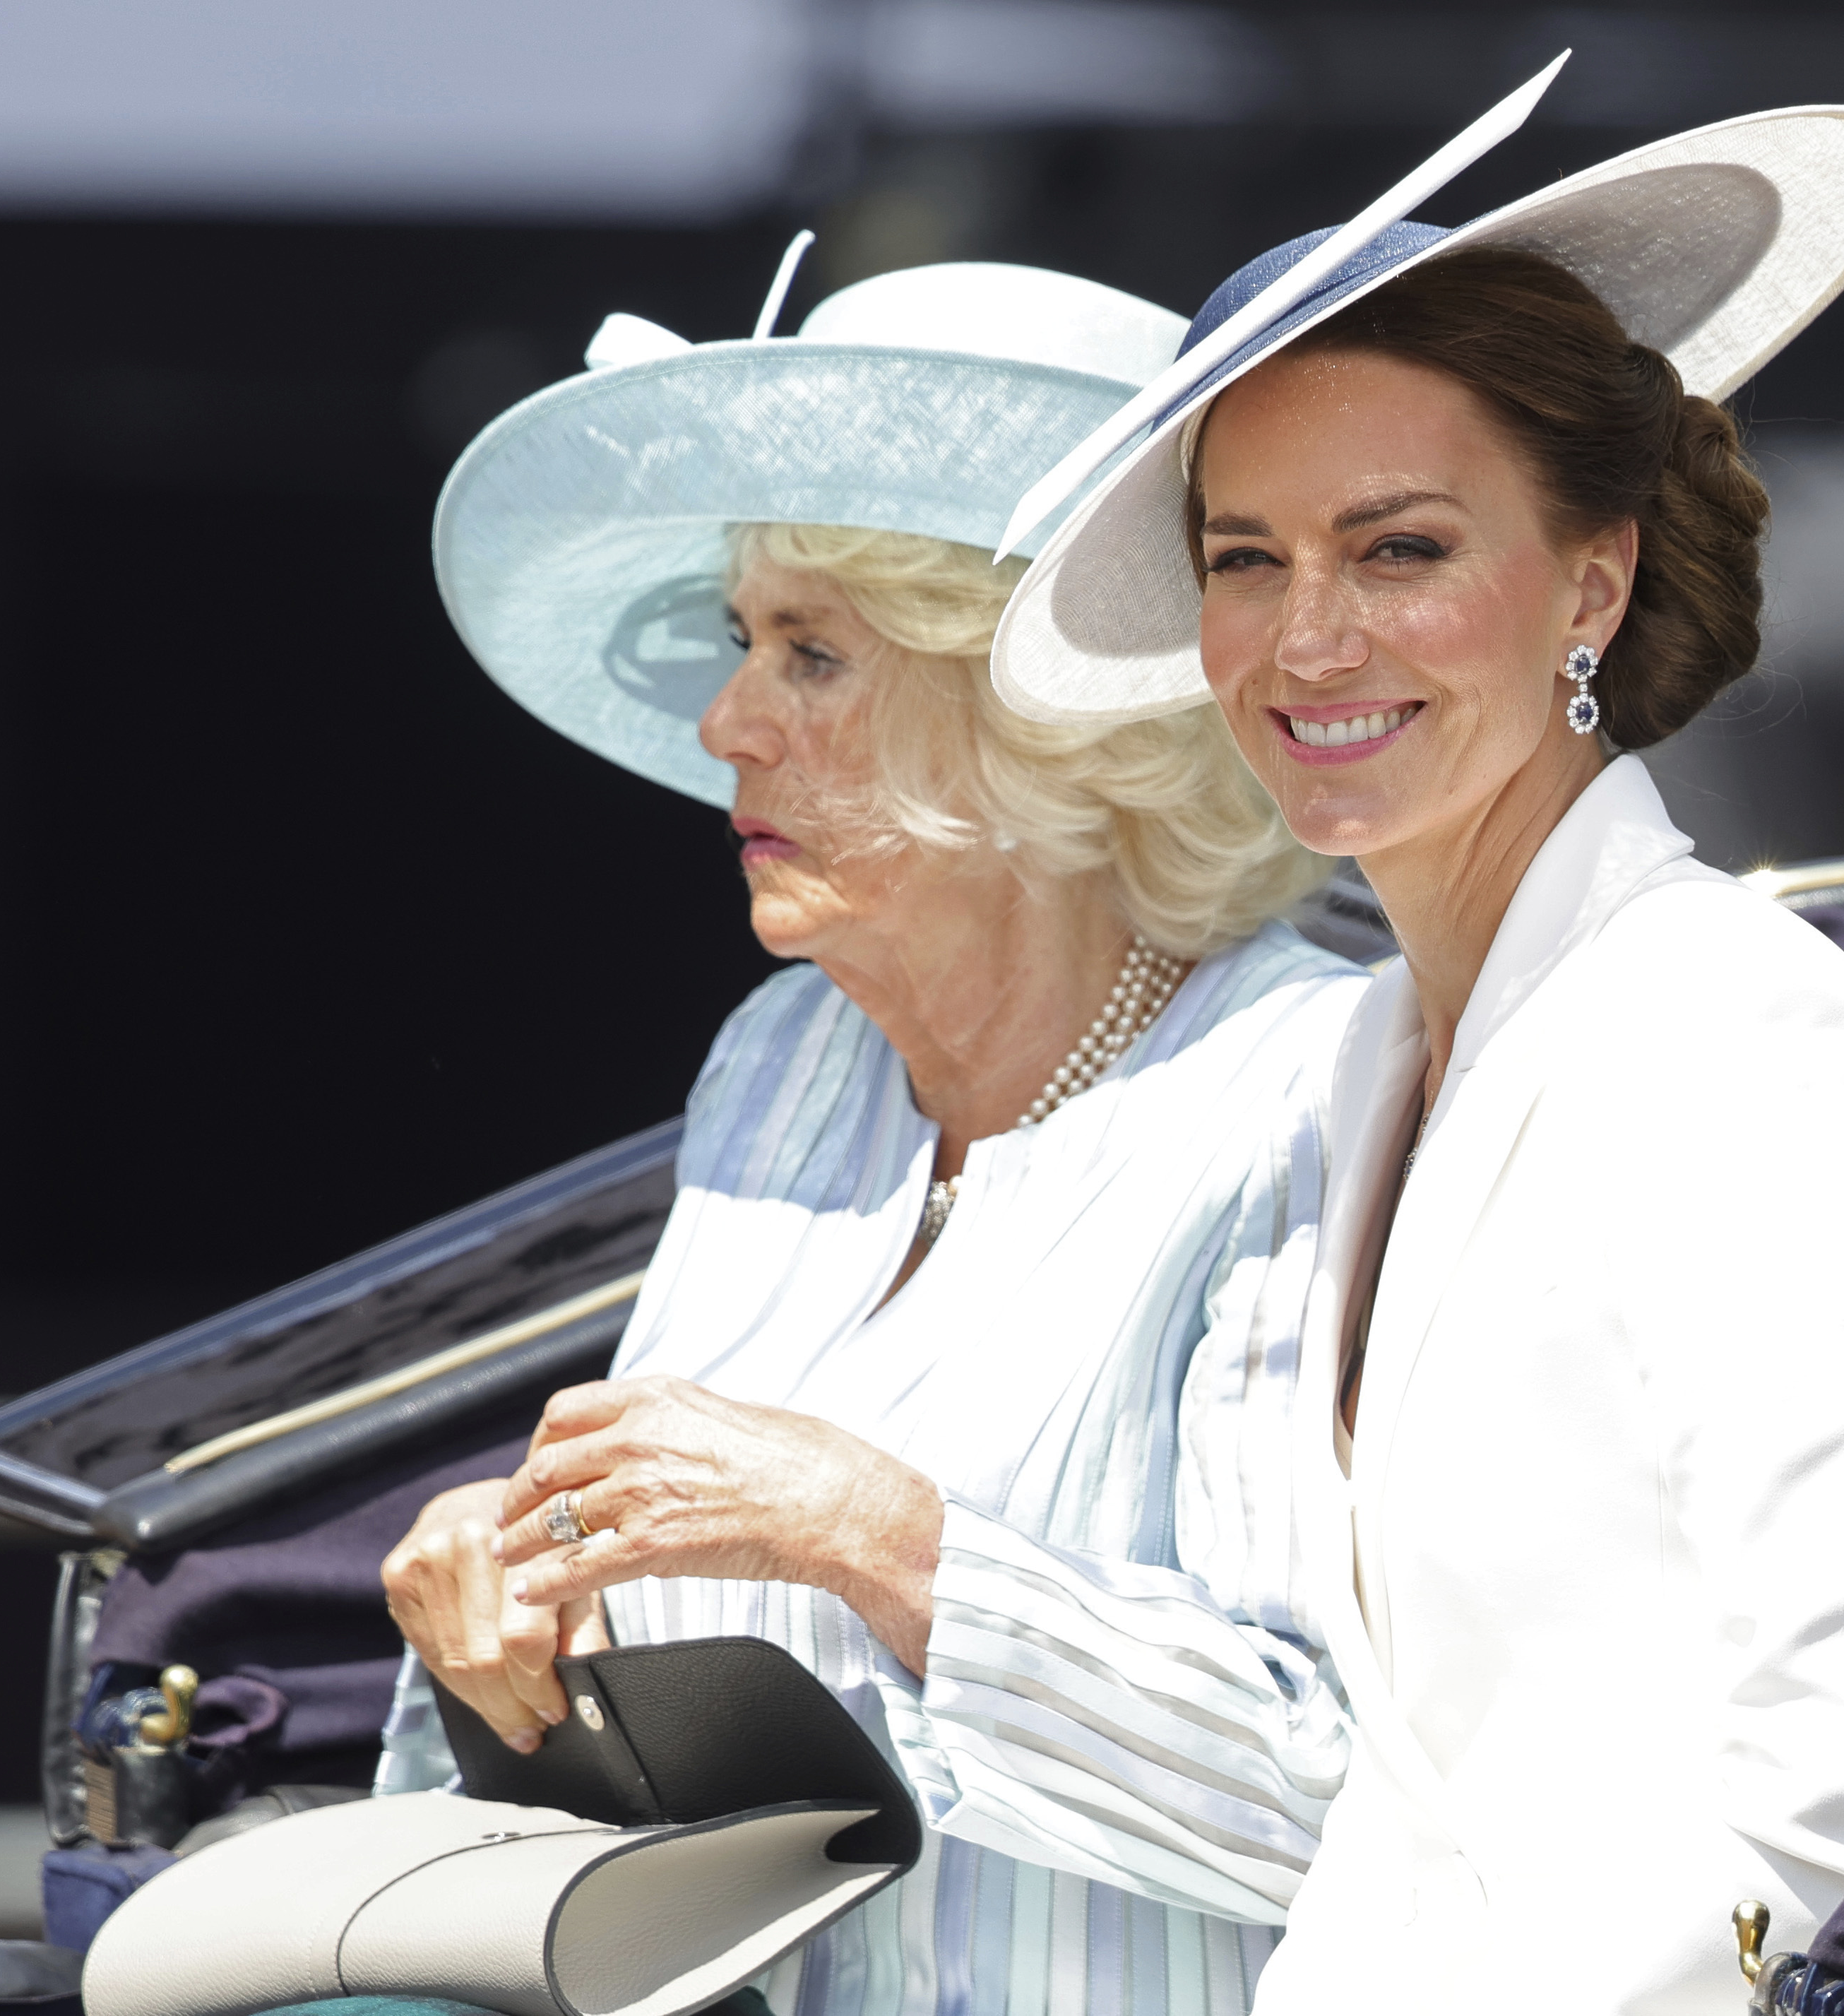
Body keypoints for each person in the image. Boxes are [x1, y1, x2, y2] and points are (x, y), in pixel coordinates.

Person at [985, 107, 1844, 2012]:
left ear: (1588, 584)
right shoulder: (1370, 1044)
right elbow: (1410, 1785)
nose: (1310, 634)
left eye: (1400, 546)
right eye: (1245, 557)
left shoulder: (1735, 1029)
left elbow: (1835, 1804)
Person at [375, 260, 1369, 2015]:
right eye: (743, 640)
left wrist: (886, 1540)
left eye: (808, 652)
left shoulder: (1308, 1094)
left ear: (1046, 711)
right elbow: (689, 1575)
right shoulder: (791, 1060)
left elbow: (1340, 1793)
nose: (723, 721)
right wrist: (513, 1579)